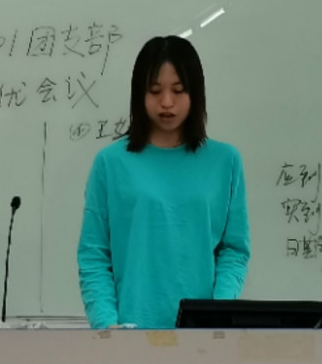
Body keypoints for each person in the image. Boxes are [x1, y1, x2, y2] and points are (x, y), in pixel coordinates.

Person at [77, 34, 250, 329]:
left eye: (179, 90)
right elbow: (94, 253)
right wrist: (107, 327)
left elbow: (234, 250)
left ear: (195, 93)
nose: (167, 102)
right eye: (155, 91)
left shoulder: (225, 161)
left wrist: (217, 312)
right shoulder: (111, 163)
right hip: (129, 335)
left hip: (203, 335)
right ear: (139, 94)